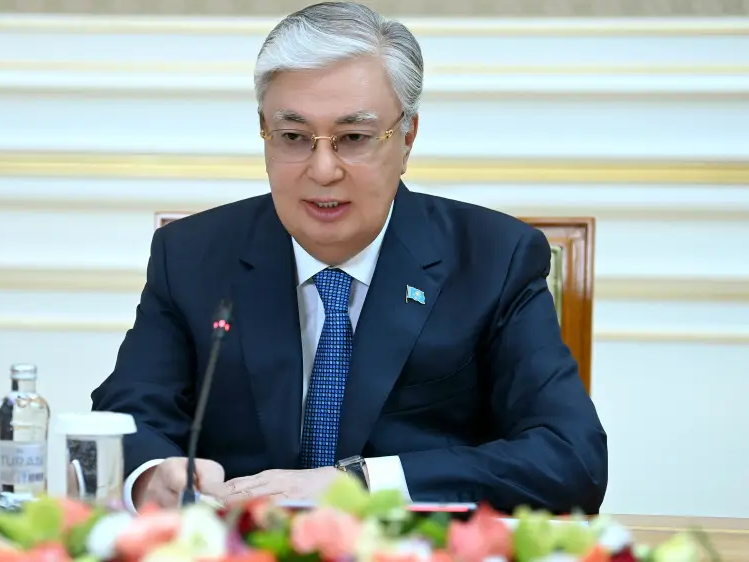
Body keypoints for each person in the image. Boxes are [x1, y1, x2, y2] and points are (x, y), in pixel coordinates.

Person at [90, 1, 608, 515]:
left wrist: (360, 485)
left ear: (407, 138)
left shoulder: (494, 258)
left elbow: (571, 458)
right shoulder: (191, 255)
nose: (323, 170)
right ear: (264, 132)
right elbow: (126, 418)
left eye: (354, 138)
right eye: (294, 137)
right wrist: (152, 477)